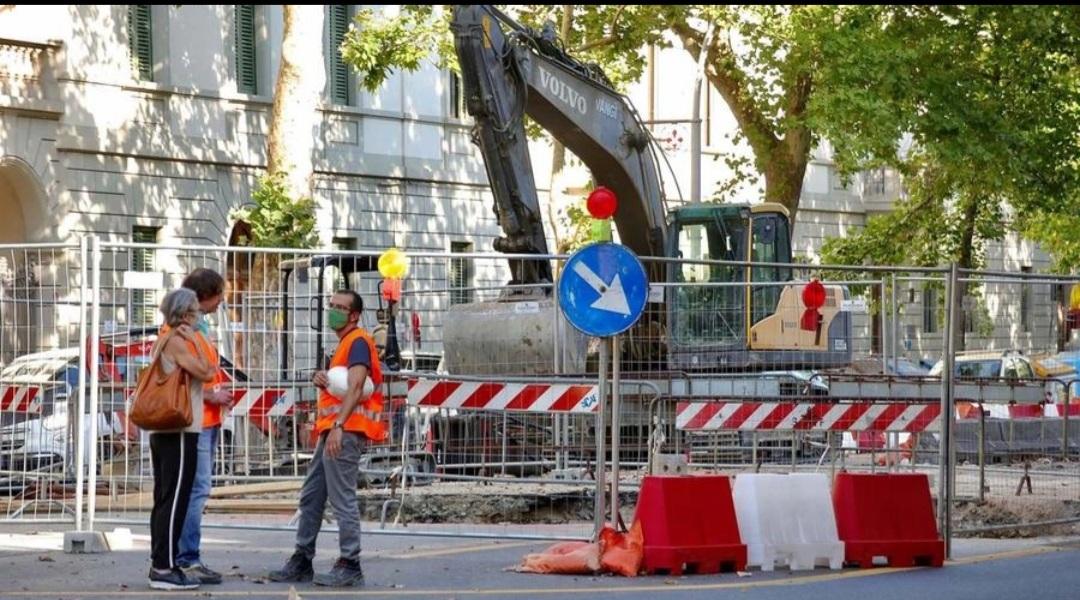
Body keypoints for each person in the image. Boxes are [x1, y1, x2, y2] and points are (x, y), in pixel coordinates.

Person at [269, 289, 386, 587]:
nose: (333, 310)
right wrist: (324, 380)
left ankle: (350, 563)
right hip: (334, 431)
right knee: (312, 497)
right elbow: (343, 384)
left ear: (354, 315)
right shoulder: (346, 344)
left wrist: (338, 425)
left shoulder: (358, 341)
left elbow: (357, 385)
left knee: (341, 498)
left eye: (340, 307)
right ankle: (302, 559)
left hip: (345, 432)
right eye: (331, 305)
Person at [147, 288, 217, 590]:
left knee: (165, 498)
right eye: (195, 311)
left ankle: (163, 562)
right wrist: (196, 341)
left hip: (166, 430)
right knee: (175, 499)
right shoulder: (177, 340)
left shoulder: (165, 338)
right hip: (178, 429)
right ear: (187, 313)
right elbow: (206, 371)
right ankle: (164, 568)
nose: (199, 315)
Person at [169, 269, 232, 584]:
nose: (221, 301)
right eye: (219, 294)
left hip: (205, 419)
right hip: (198, 420)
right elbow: (183, 378)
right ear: (204, 295)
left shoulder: (197, 330)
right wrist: (213, 394)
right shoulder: (186, 333)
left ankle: (183, 556)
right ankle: (187, 558)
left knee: (194, 490)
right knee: (197, 490)